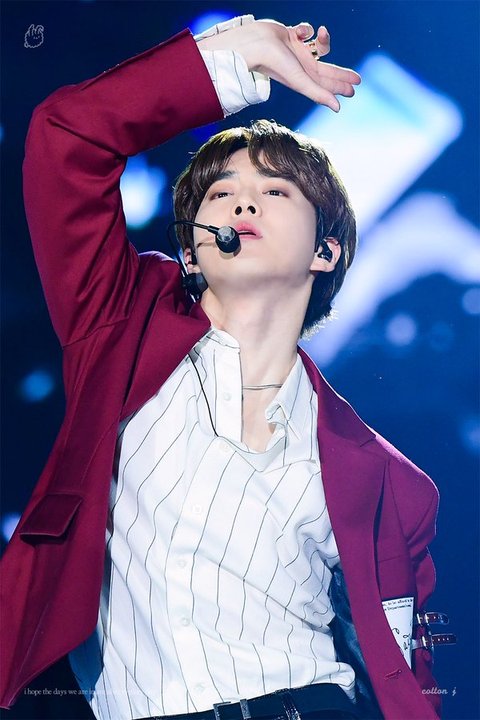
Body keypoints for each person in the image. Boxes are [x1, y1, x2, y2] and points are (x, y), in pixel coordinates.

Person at [0, 14, 443, 720]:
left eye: (276, 191)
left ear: (324, 252)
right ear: (192, 249)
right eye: (220, 192)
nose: (243, 199)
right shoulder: (120, 326)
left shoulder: (393, 483)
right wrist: (230, 59)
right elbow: (67, 137)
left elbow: (404, 671)